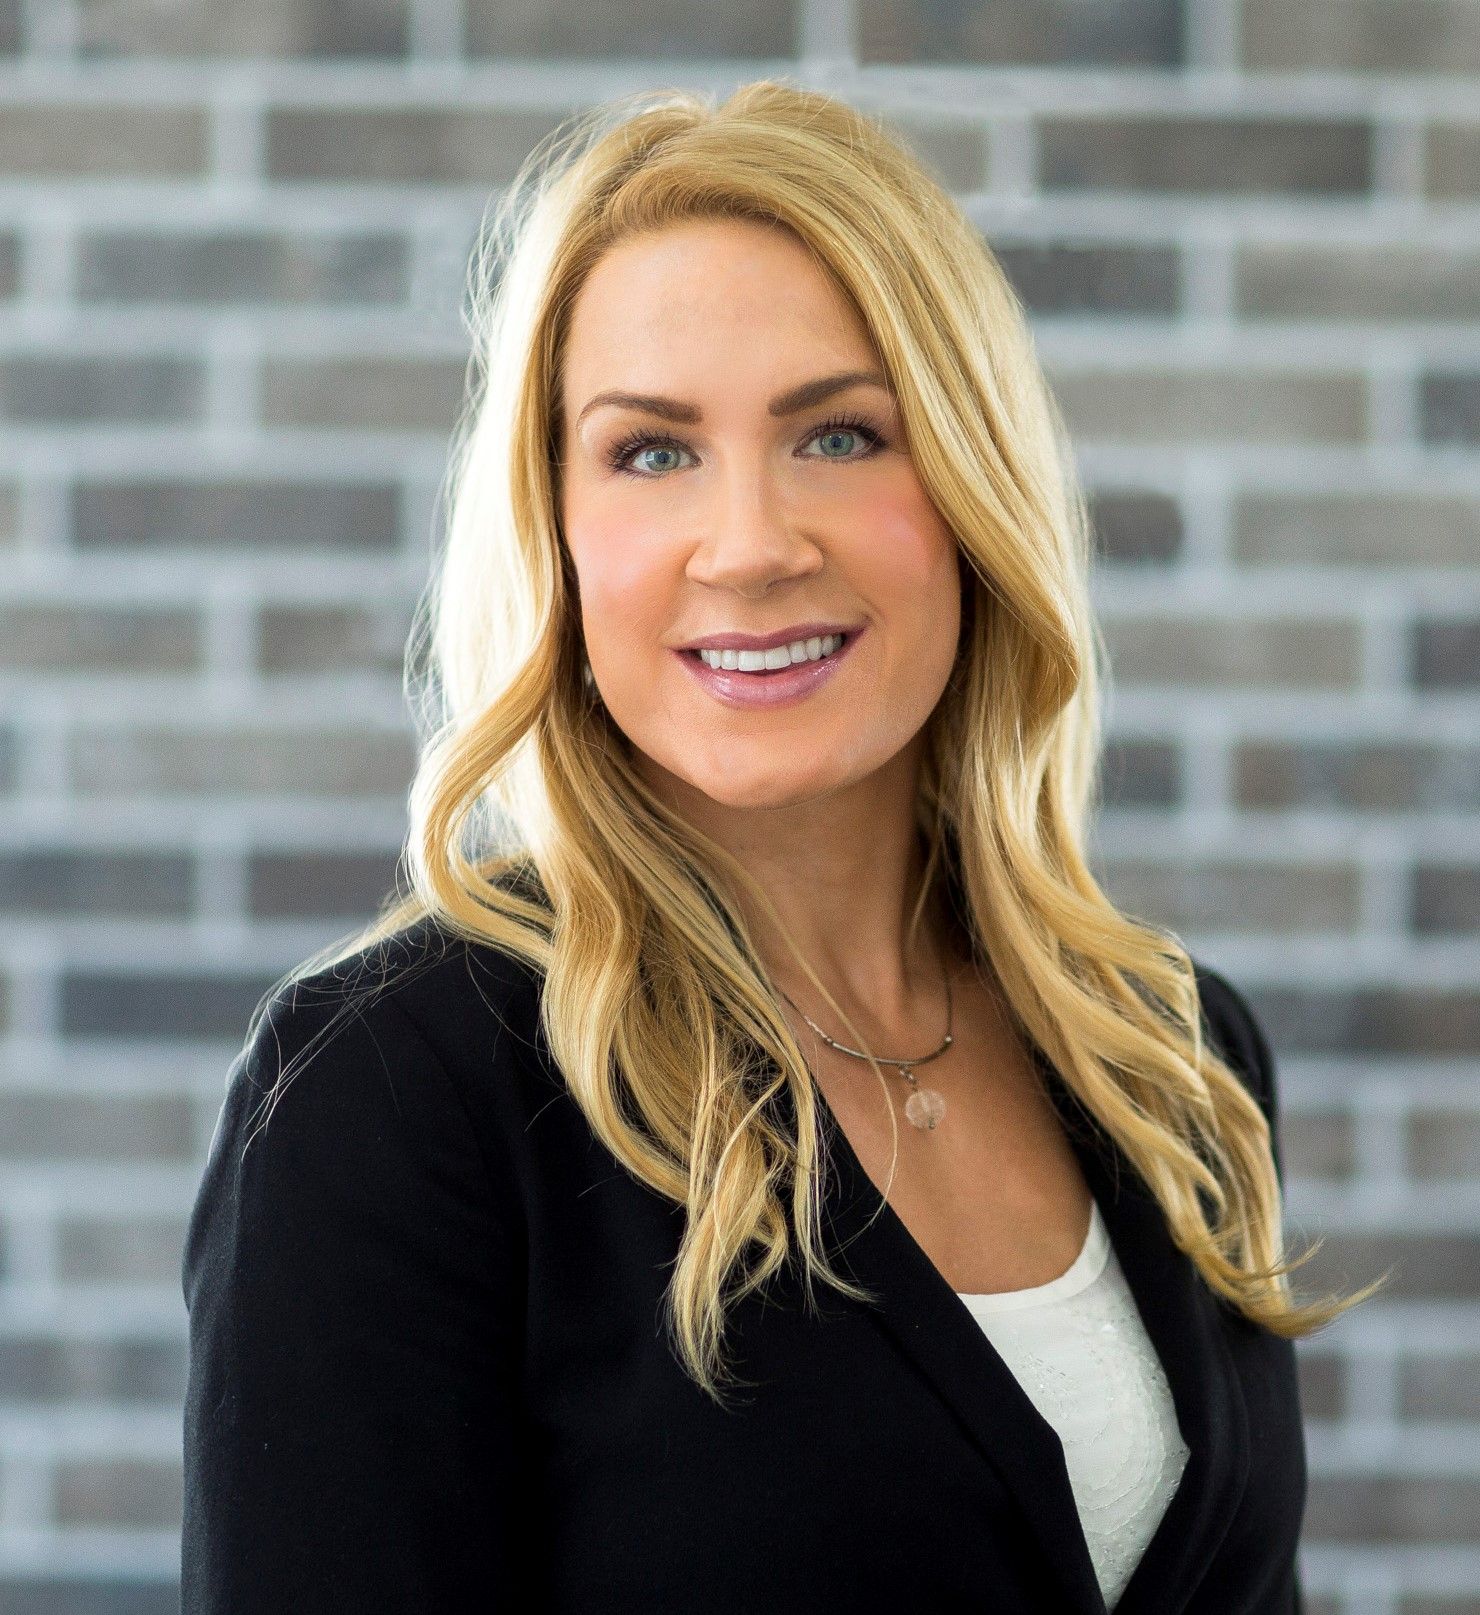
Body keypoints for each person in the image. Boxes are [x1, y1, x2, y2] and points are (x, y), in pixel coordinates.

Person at [179, 79, 1384, 1613]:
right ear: (554, 528)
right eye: (651, 453)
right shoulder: (392, 1099)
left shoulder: (1170, 1053)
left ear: (973, 487)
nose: (750, 545)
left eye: (840, 434)